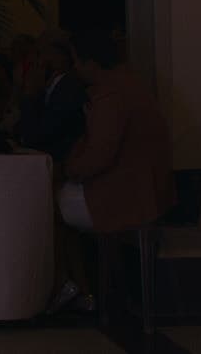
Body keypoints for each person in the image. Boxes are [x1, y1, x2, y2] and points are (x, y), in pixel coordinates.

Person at [53, 30, 174, 309]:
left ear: (91, 63)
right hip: (147, 189)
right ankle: (83, 288)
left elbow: (99, 156)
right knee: (58, 199)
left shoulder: (111, 95)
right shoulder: (132, 86)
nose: (74, 68)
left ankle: (75, 288)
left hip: (125, 194)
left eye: (76, 61)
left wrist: (69, 168)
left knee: (47, 206)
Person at [15, 29, 88, 160]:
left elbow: (36, 136)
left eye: (39, 53)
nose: (33, 61)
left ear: (57, 56)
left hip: (59, 166)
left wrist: (30, 93)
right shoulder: (49, 87)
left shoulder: (68, 88)